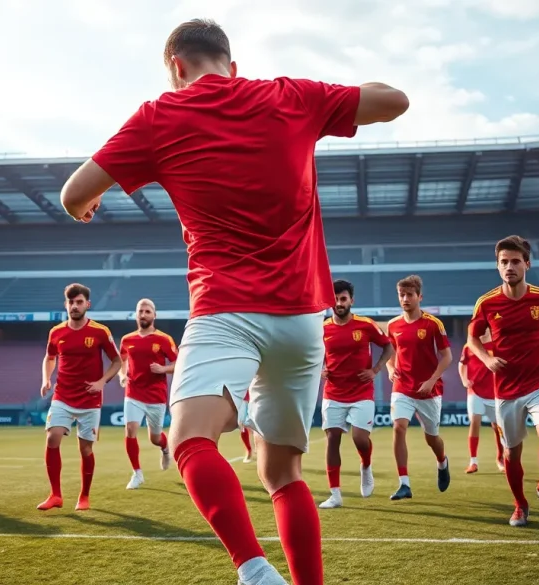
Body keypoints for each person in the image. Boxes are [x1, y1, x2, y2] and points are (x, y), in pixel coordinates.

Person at [59, 18, 408, 585]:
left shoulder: (158, 116)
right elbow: (394, 101)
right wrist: (328, 99)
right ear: (232, 63)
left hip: (226, 311)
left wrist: (85, 205)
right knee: (284, 474)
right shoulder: (291, 96)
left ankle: (253, 570)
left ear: (176, 67)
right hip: (301, 321)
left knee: (190, 440)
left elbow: (73, 193)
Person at [467, 236, 539, 527]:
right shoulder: (487, 303)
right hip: (506, 389)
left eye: (515, 261)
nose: (509, 266)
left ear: (526, 264)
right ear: (497, 266)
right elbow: (472, 337)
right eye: (504, 262)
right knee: (511, 452)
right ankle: (520, 505)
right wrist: (487, 359)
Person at [38, 284, 122, 511]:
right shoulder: (56, 332)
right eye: (71, 303)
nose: (74, 306)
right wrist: (46, 379)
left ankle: (84, 496)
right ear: (66, 305)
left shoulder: (100, 332)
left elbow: (117, 361)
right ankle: (55, 494)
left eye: (79, 302)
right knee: (52, 438)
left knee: (85, 450)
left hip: (90, 400)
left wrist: (102, 382)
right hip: (62, 395)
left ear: (87, 304)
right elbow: (49, 357)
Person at [318, 280, 393, 509]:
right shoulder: (322, 329)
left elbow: (388, 346)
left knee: (360, 438)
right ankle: (335, 494)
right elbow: (312, 353)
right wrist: (319, 368)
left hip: (361, 392)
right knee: (332, 440)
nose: (339, 303)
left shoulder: (366, 325)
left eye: (343, 299)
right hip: (333, 393)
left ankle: (366, 465)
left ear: (351, 300)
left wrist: (375, 369)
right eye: (335, 299)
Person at [385, 275, 453, 500]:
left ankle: (442, 462)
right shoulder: (393, 325)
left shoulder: (433, 324)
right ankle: (404, 483)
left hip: (428, 390)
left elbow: (447, 356)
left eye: (409, 295)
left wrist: (433, 379)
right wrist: (389, 367)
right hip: (402, 386)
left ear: (419, 297)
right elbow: (390, 353)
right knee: (398, 427)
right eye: (401, 295)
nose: (405, 299)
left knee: (431, 438)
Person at [118, 298, 177, 489]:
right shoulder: (127, 340)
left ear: (154, 315)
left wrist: (163, 369)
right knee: (130, 430)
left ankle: (165, 449)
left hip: (156, 396)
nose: (143, 315)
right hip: (133, 392)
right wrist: (122, 376)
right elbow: (122, 360)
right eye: (140, 311)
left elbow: (178, 364)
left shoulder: (164, 339)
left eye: (147, 312)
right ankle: (137, 473)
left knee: (155, 438)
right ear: (136, 315)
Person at [458, 327, 504, 474]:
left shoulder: (497, 346)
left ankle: (501, 458)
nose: (483, 332)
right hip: (475, 391)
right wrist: (465, 380)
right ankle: (473, 461)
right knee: (474, 421)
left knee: (498, 427)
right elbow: (462, 363)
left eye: (486, 330)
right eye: (481, 330)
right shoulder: (469, 346)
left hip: (494, 393)